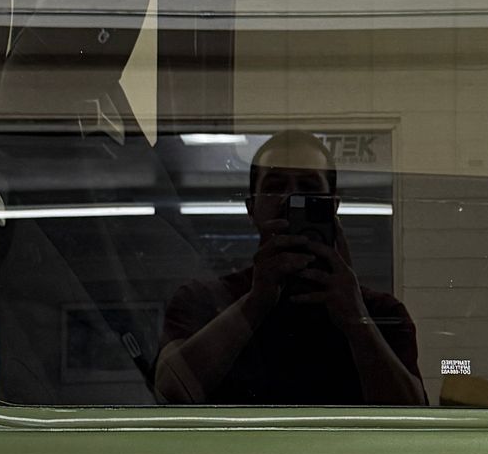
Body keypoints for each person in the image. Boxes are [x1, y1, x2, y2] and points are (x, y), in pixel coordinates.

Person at [154, 132, 427, 407]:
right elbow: (169, 392)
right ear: (252, 207)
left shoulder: (380, 312)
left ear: (333, 205)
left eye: (309, 188)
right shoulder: (202, 301)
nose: (290, 198)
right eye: (275, 186)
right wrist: (255, 303)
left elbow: (413, 416)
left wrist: (356, 319)